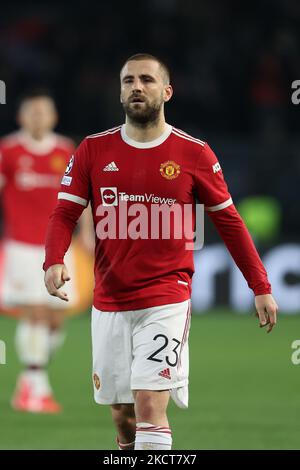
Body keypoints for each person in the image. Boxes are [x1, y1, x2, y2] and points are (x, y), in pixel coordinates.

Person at [43, 53, 278, 450]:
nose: (137, 86)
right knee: (123, 417)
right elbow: (64, 213)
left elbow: (230, 223)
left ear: (166, 91)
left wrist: (260, 284)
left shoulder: (194, 154)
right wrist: (53, 261)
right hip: (110, 299)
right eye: (129, 80)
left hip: (166, 297)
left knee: (150, 403)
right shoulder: (92, 150)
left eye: (147, 80)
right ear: (120, 92)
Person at [0, 90, 77, 413]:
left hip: (59, 248)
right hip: (22, 246)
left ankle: (28, 383)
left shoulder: (65, 150)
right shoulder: (9, 150)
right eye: (31, 112)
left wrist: (86, 234)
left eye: (43, 112)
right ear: (21, 117)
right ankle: (37, 387)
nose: (37, 117)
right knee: (34, 311)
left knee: (57, 318)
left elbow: (77, 196)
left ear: (54, 117)